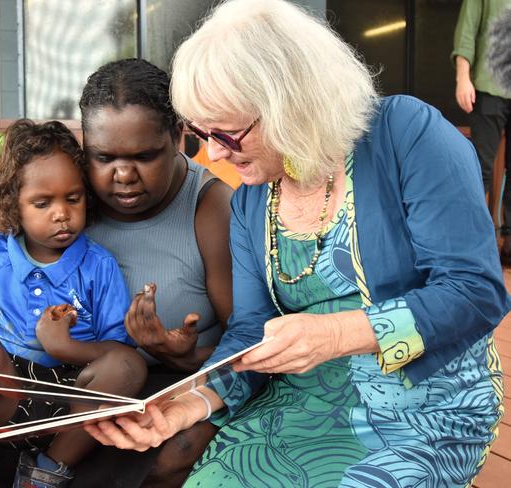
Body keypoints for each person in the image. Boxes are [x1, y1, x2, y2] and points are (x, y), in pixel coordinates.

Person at [83, 1, 511, 486]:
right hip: (306, 396)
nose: (216, 153)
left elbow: (475, 291)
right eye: (203, 135)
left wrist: (332, 335)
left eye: (227, 133)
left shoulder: (405, 135)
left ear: (291, 102)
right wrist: (185, 407)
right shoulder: (250, 203)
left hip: (426, 404)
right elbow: (250, 333)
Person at [0, 59, 233, 488]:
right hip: (29, 372)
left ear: (178, 137)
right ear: (87, 146)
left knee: (177, 447)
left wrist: (179, 354)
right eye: (103, 156)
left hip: (137, 387)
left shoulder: (211, 209)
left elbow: (246, 344)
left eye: (144, 156)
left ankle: (29, 471)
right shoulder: (73, 193)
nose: (122, 175)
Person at [0, 119, 147, 487]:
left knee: (129, 366)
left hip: (70, 406)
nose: (61, 213)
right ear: (13, 206)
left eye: (73, 198)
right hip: (5, 394)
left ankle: (47, 472)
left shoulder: (99, 266)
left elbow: (117, 349)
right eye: (42, 203)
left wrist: (65, 347)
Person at [453, 0, 511, 264]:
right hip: (488, 88)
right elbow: (467, 31)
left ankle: (508, 245)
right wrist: (463, 78)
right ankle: (475, 245)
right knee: (480, 170)